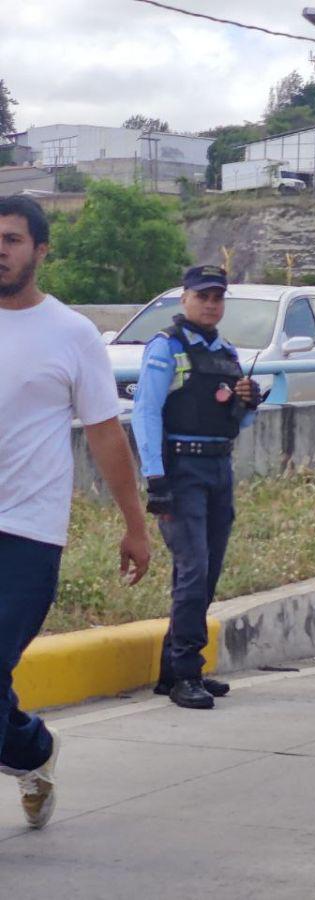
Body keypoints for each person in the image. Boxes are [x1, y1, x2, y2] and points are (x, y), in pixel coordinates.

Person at [0, 195, 152, 829]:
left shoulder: (72, 333)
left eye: (11, 239)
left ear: (40, 250)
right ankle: (33, 748)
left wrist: (135, 525)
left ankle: (30, 748)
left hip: (28, 534)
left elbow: (104, 434)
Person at [132, 265, 262, 711]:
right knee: (193, 570)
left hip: (218, 469)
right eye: (203, 296)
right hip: (180, 469)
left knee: (207, 573)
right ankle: (187, 672)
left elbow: (239, 421)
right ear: (184, 298)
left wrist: (249, 401)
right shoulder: (165, 348)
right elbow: (145, 413)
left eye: (217, 297)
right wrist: (155, 480)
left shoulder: (225, 351)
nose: (210, 304)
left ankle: (175, 671)